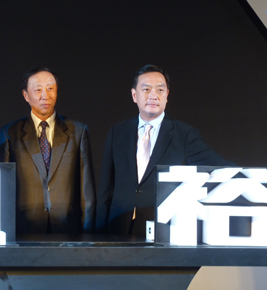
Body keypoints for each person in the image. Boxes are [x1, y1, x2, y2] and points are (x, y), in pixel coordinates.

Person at [96, 65, 234, 237]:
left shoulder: (184, 134)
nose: (153, 95)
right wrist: (98, 234)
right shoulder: (118, 131)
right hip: (117, 228)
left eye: (160, 90)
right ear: (134, 95)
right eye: (146, 89)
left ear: (167, 95)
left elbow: (218, 166)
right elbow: (106, 188)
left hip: (162, 231)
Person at [0, 67, 96, 236]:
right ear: (26, 95)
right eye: (38, 90)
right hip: (24, 230)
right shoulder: (10, 133)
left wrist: (87, 234)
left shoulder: (77, 131)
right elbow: (3, 190)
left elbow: (87, 190)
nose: (45, 95)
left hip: (68, 229)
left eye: (50, 88)